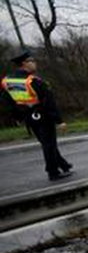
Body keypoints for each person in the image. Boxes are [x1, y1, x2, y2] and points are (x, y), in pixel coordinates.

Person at [0, 50, 72, 181]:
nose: (35, 63)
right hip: (43, 115)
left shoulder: (8, 81)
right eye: (32, 61)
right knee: (49, 144)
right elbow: (49, 102)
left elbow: (7, 101)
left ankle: (63, 164)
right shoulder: (33, 81)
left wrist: (17, 117)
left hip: (28, 117)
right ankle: (53, 172)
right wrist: (59, 120)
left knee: (46, 143)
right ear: (24, 63)